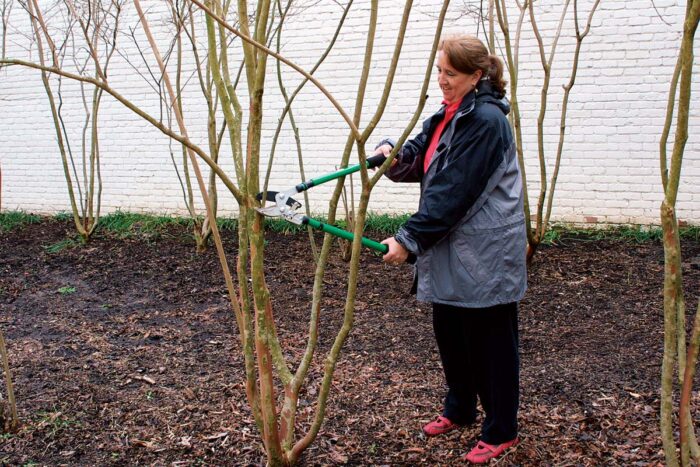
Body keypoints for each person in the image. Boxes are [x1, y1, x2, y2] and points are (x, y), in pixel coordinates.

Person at [375, 35, 527, 464]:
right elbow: (420, 157)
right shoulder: (448, 113)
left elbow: (454, 190)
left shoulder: (485, 121)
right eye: (439, 70)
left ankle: (502, 430)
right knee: (451, 335)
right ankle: (459, 410)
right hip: (450, 245)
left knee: (491, 344)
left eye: (451, 73)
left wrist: (408, 239)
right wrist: (393, 157)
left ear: (476, 76)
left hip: (485, 252)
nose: (441, 80)